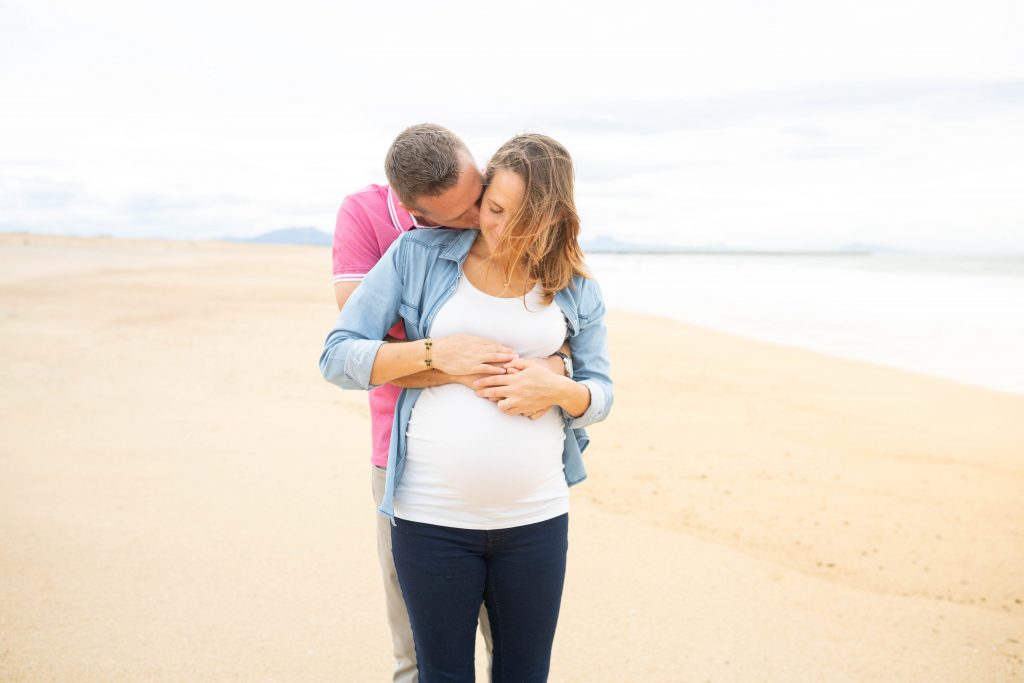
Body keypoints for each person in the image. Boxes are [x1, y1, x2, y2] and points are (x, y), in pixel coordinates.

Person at [321, 133, 613, 681]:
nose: (496, 226)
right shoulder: (418, 255)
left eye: (522, 217)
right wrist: (437, 353)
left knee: (524, 673)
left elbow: (600, 392)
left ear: (553, 216)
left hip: (536, 517)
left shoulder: (574, 284)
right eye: (493, 208)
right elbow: (337, 356)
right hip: (429, 515)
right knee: (437, 672)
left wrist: (557, 387)